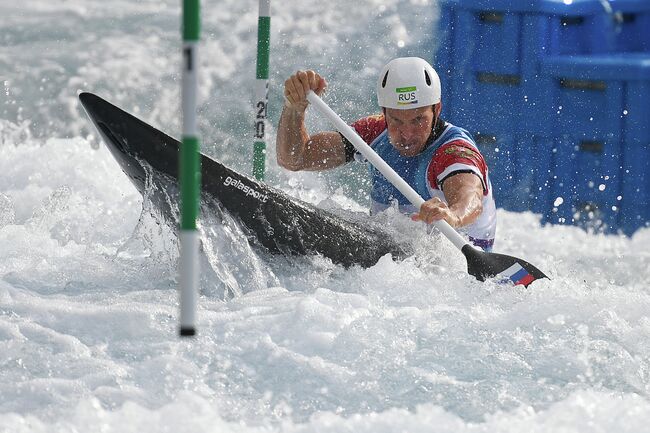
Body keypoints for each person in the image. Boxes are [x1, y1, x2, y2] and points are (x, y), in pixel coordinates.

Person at [276, 57, 496, 250]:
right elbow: (295, 158)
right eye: (396, 120)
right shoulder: (374, 132)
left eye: (418, 120)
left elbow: (470, 198)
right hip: (391, 263)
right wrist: (295, 108)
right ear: (384, 113)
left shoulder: (455, 151)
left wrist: (453, 215)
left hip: (449, 271)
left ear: (436, 110)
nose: (407, 134)